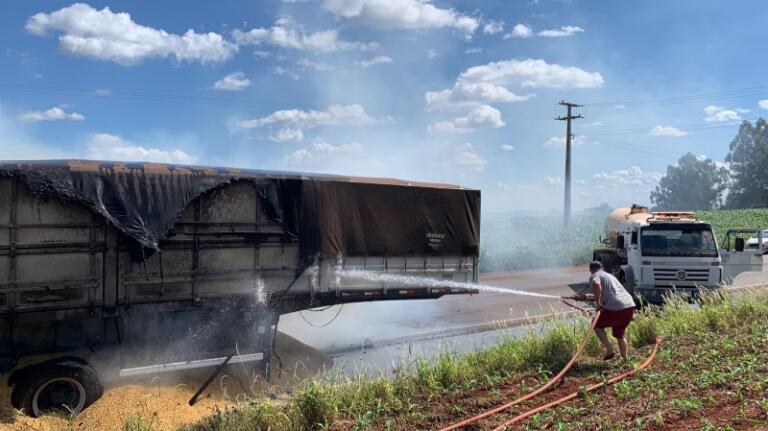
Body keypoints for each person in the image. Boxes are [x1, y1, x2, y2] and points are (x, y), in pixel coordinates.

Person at [570, 261, 636, 360]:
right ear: (602, 268)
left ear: (591, 270)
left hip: (616, 306)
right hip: (629, 305)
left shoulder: (595, 275)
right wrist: (583, 297)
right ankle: (625, 359)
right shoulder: (609, 276)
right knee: (620, 334)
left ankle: (610, 350)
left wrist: (598, 303)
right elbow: (604, 293)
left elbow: (597, 284)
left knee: (596, 324)